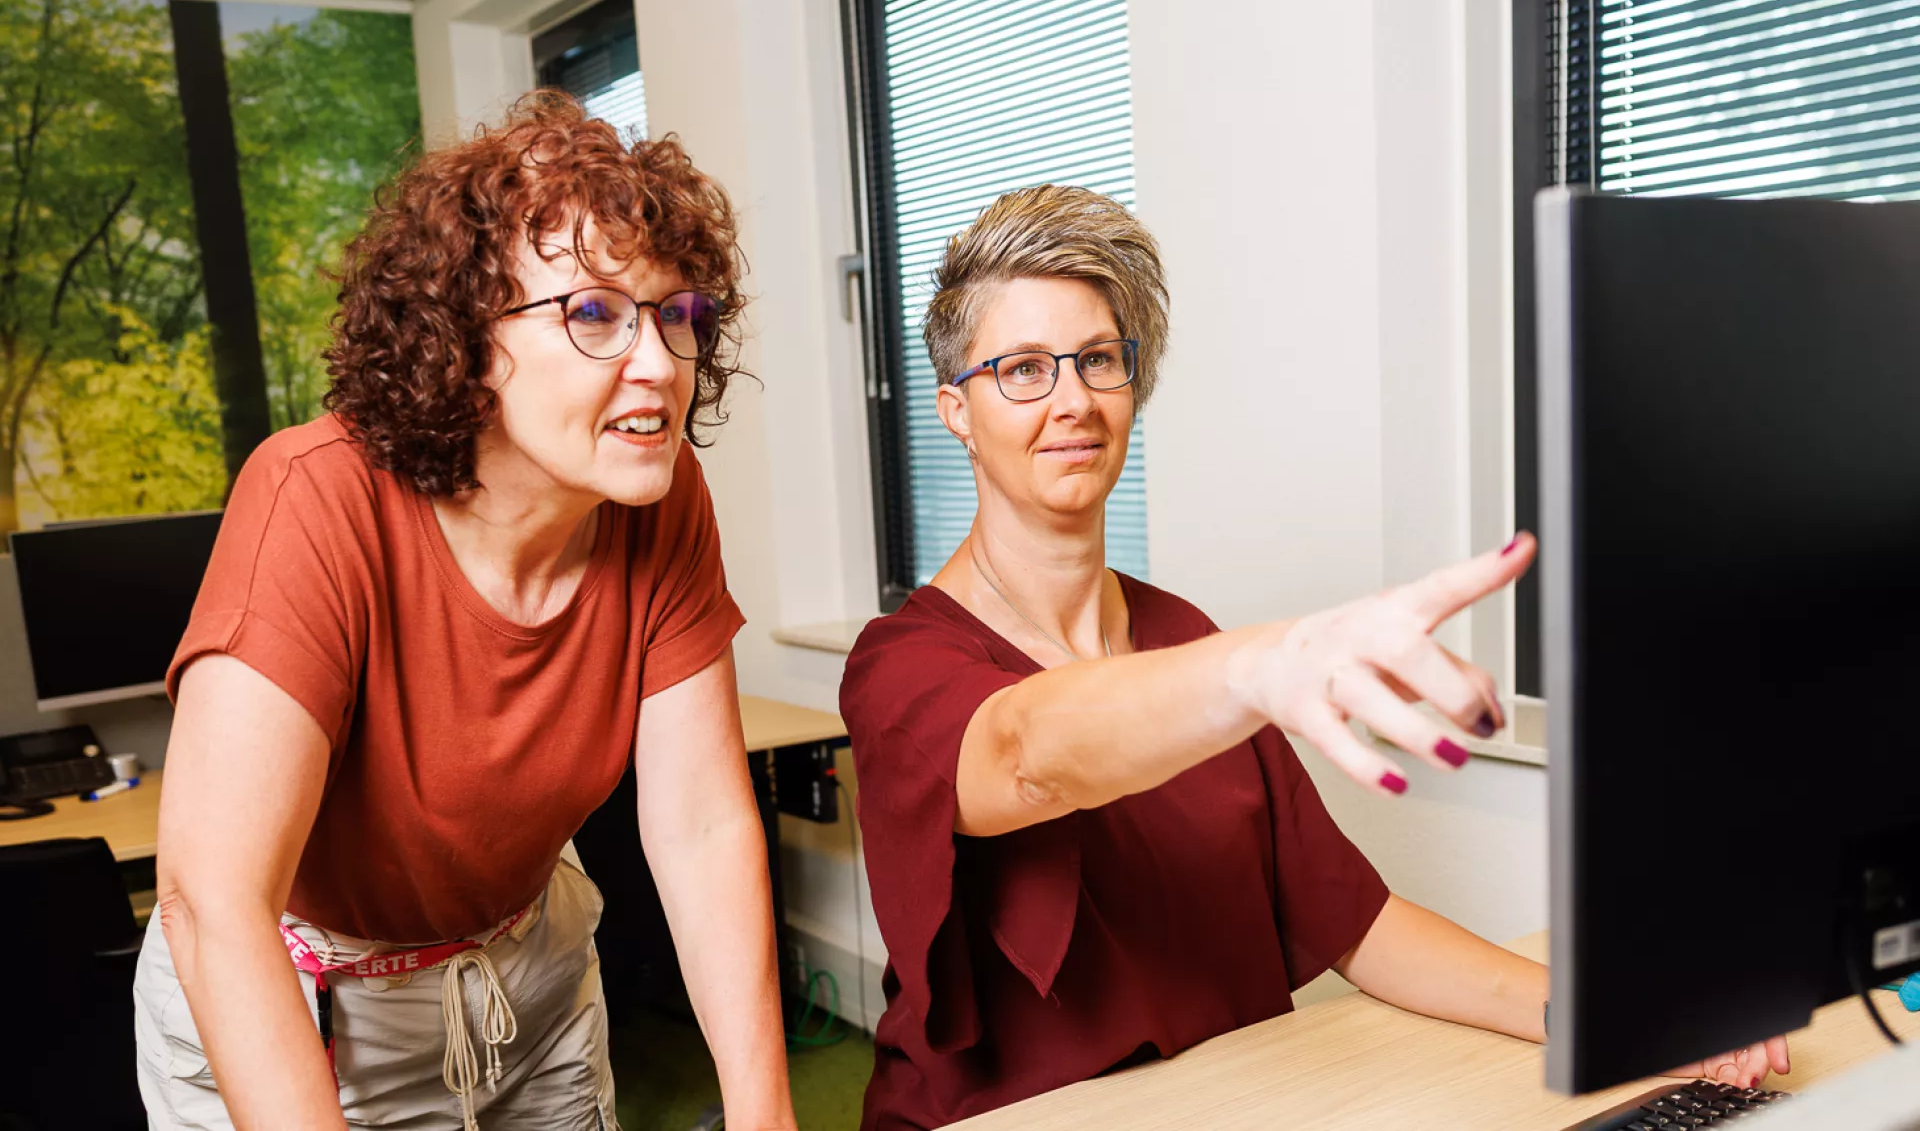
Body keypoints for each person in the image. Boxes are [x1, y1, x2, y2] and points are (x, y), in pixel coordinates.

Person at [840, 186, 1790, 1130]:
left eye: (1098, 360)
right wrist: (1258, 667)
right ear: (956, 411)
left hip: (1227, 1104)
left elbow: (1361, 927)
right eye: (1022, 370)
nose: (1074, 400)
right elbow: (1024, 753)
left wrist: (1614, 1019)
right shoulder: (902, 665)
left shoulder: (1184, 634)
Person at [136, 92, 796, 1131]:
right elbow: (213, 905)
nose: (662, 364)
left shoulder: (659, 501)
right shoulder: (316, 497)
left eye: (676, 313)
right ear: (460, 335)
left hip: (521, 984)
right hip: (292, 1007)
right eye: (592, 312)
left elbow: (704, 825)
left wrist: (767, 1118)